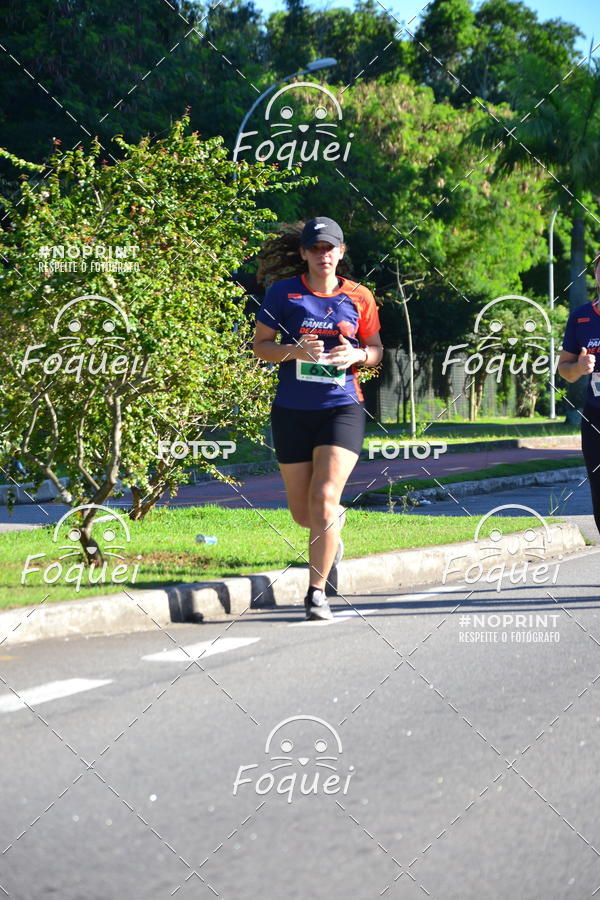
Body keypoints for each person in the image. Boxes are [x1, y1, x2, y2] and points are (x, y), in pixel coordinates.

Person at [253, 216, 384, 620]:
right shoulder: (283, 294)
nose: (322, 255)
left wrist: (358, 355)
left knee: (325, 498)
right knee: (302, 513)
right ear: (303, 253)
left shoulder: (360, 297)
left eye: (330, 248)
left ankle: (315, 594)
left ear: (341, 252)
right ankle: (331, 530)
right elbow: (260, 346)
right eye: (315, 248)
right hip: (292, 409)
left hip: (341, 407)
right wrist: (294, 352)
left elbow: (377, 348)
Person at [558, 255, 600, 534]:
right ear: (596, 275)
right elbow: (564, 369)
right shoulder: (581, 318)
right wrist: (580, 368)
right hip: (595, 414)